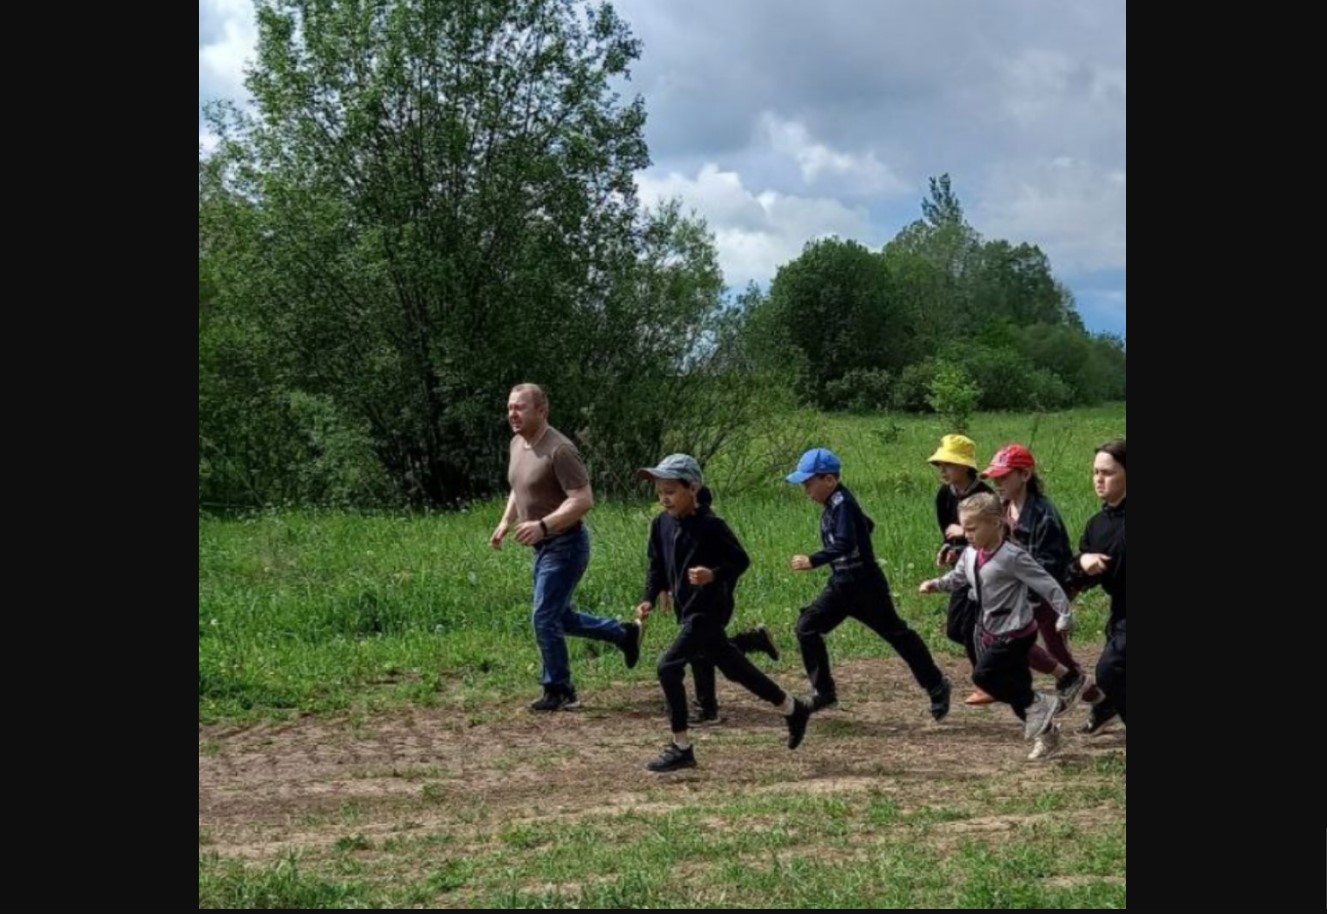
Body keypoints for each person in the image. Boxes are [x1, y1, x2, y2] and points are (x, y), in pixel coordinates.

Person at [635, 454, 811, 772]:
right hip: (687, 610)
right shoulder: (660, 524)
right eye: (660, 491)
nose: (664, 498)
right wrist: (648, 597)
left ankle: (681, 747)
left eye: (671, 491)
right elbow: (657, 566)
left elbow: (740, 561)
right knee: (735, 668)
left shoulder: (712, 525)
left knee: (668, 666)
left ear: (693, 488)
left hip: (709, 610)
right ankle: (792, 708)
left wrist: (713, 574)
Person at [489, 383, 642, 712]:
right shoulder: (518, 444)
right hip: (543, 548)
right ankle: (623, 634)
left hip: (566, 544)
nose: (512, 414)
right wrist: (506, 521)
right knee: (560, 616)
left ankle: (560, 690)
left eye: (520, 407)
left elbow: (583, 500)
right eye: (510, 407)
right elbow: (519, 487)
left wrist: (543, 525)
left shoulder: (560, 450)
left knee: (544, 618)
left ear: (541, 411)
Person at [786, 447, 952, 720]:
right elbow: (867, 526)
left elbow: (846, 542)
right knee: (807, 627)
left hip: (865, 586)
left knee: (897, 635)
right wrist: (860, 529)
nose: (805, 489)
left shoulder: (843, 504)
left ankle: (936, 685)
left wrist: (813, 560)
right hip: (841, 585)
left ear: (829, 480)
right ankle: (824, 692)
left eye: (808, 482)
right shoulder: (835, 505)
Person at [919, 492, 1076, 760]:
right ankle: (1048, 735)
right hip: (991, 630)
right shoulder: (971, 553)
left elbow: (1046, 583)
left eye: (972, 528)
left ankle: (1041, 702)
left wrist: (1064, 613)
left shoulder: (1012, 557)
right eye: (964, 528)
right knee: (1016, 692)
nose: (967, 534)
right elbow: (959, 576)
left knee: (984, 677)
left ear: (996, 523)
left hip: (1016, 633)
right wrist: (939, 584)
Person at [927, 434, 996, 706]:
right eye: (940, 465)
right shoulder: (945, 495)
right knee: (955, 629)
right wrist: (948, 549)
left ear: (966, 466)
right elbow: (947, 532)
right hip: (962, 566)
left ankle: (987, 683)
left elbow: (995, 538)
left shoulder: (985, 496)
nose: (943, 470)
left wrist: (964, 532)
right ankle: (1001, 654)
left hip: (987, 568)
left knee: (969, 629)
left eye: (950, 465)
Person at [1065, 439, 1126, 734]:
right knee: (1115, 669)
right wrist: (1081, 563)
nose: (1099, 479)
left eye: (1108, 472)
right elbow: (1079, 578)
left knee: (1109, 668)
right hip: (1121, 611)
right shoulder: (1097, 525)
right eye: (1095, 472)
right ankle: (1107, 707)